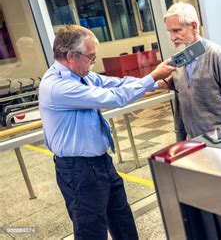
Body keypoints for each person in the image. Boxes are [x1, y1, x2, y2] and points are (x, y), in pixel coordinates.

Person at [39, 25, 175, 239]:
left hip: (101, 163)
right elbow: (114, 98)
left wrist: (156, 84)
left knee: (122, 220)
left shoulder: (83, 76)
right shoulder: (57, 86)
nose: (94, 63)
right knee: (91, 230)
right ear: (71, 56)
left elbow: (117, 84)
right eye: (91, 57)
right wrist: (151, 76)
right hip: (78, 170)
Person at [161, 2, 221, 141]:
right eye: (170, 32)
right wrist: (180, 141)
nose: (172, 37)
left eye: (177, 30)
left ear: (194, 26)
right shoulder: (177, 61)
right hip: (193, 143)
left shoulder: (217, 56)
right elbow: (179, 107)